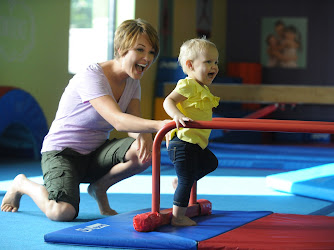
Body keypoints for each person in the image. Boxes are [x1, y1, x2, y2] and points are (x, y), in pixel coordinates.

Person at [1, 18, 170, 221]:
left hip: (95, 154)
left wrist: (143, 134)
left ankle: (99, 187)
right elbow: (118, 120)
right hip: (62, 153)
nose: (147, 58)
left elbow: (132, 122)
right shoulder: (92, 75)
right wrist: (159, 125)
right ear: (120, 49)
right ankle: (21, 184)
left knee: (145, 152)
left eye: (152, 52)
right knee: (62, 212)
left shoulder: (133, 82)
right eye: (140, 50)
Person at [163, 37, 219, 227]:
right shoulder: (188, 85)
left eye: (216, 62)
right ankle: (178, 217)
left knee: (211, 162)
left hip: (196, 143)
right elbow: (168, 101)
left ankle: (180, 184)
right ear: (190, 65)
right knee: (187, 179)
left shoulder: (203, 89)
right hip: (183, 142)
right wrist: (177, 115)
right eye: (208, 62)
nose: (214, 66)